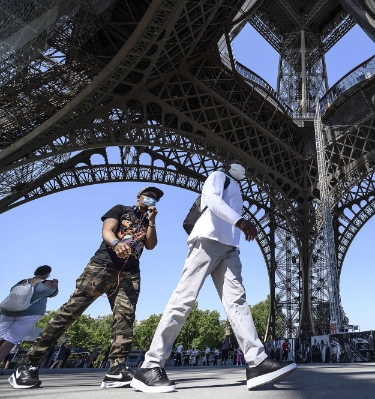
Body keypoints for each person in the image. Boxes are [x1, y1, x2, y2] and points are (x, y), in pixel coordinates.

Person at [132, 159, 296, 393]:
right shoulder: (219, 176)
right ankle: (150, 365)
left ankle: (256, 362)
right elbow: (212, 200)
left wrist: (237, 231)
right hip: (208, 239)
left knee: (237, 302)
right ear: (227, 165)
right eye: (236, 162)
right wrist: (240, 221)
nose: (241, 165)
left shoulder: (237, 188)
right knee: (184, 299)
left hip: (230, 247)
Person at [9, 187, 163, 389]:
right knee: (69, 313)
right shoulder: (120, 209)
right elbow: (107, 230)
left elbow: (151, 245)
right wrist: (116, 242)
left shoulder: (146, 221)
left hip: (129, 274)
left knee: (125, 320)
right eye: (149, 195)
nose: (152, 199)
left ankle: (116, 370)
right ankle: (28, 364)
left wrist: (152, 220)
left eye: (155, 198)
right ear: (138, 196)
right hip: (101, 267)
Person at [0, 265, 59, 370]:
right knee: (11, 339)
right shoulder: (46, 283)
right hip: (29, 314)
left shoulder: (22, 282)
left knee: (1, 337)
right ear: (47, 274)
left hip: (8, 311)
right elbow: (53, 293)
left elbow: (12, 291)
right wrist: (55, 283)